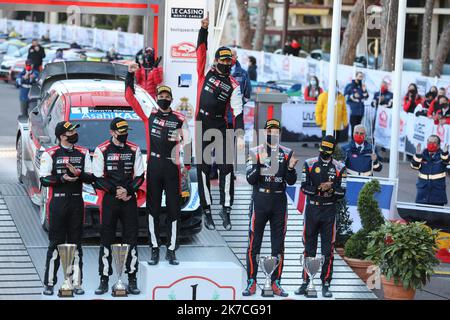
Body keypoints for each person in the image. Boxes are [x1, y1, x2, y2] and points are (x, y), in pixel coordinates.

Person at [125, 65, 191, 266]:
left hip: (172, 167)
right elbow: (130, 97)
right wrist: (129, 75)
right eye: (160, 95)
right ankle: (154, 248)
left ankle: (171, 249)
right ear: (158, 98)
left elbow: (188, 143)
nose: (163, 98)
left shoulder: (180, 119)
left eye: (166, 96)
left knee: (173, 209)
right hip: (153, 165)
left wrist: (185, 166)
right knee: (152, 209)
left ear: (171, 99)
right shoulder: (150, 113)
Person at [195, 14, 244, 231]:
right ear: (216, 60)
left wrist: (240, 135)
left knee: (226, 168)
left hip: (221, 127)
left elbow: (238, 111)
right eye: (222, 60)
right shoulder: (205, 71)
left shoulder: (233, 84)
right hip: (200, 124)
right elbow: (200, 51)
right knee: (203, 169)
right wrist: (203, 29)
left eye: (228, 61)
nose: (225, 63)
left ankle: (226, 209)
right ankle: (207, 210)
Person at [242, 119, 298, 297]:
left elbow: (291, 181)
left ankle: (276, 282)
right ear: (265, 132)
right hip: (260, 200)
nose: (272, 133)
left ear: (279, 133)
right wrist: (259, 164)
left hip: (279, 202)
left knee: (278, 245)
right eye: (269, 130)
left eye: (275, 131)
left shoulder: (287, 153)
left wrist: (290, 168)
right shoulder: (255, 152)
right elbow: (250, 179)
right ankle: (251, 281)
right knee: (254, 243)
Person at [40, 121, 95, 296]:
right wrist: (62, 178)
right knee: (55, 244)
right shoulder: (50, 154)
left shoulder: (83, 153)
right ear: (62, 136)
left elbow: (91, 178)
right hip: (57, 203)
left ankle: (75, 282)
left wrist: (79, 174)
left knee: (76, 244)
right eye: (71, 132)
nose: (74, 134)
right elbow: (44, 180)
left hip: (77, 202)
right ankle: (49, 283)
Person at [92, 118, 145, 295]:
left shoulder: (134, 149)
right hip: (110, 200)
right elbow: (98, 179)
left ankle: (132, 279)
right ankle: (104, 279)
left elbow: (140, 176)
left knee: (131, 239)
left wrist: (128, 190)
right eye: (120, 131)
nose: (124, 134)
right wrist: (116, 191)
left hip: (129, 199)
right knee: (106, 239)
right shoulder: (102, 150)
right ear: (112, 132)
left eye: (125, 131)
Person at [295, 135, 347, 298]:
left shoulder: (340, 167)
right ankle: (306, 282)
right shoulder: (309, 164)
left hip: (328, 211)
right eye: (323, 148)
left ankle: (326, 283)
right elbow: (304, 188)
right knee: (308, 248)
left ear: (332, 149)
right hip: (312, 211)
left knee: (328, 250)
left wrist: (331, 190)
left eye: (328, 149)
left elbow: (342, 192)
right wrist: (321, 188)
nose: (324, 152)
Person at [211, 49, 252, 180]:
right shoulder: (217, 72)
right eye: (228, 56)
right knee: (217, 141)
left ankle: (229, 170)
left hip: (233, 117)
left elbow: (247, 95)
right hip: (219, 115)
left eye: (232, 55)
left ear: (236, 57)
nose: (230, 58)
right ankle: (213, 168)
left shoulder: (243, 74)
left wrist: (236, 107)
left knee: (230, 144)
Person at [411, 135, 449, 206]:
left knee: (437, 217)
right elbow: (414, 166)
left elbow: (447, 162)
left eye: (434, 142)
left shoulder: (442, 155)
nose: (431, 144)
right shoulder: (422, 154)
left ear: (438, 145)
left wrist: (445, 153)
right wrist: (418, 155)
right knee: (421, 216)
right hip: (422, 194)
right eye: (429, 142)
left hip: (438, 195)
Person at [344, 72, 369, 136]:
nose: (361, 78)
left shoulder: (362, 86)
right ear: (356, 76)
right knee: (353, 127)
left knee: (359, 128)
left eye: (362, 77)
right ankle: (353, 141)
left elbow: (366, 97)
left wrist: (365, 90)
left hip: (360, 111)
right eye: (360, 76)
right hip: (353, 110)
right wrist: (353, 96)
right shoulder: (350, 86)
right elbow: (345, 97)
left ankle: (357, 142)